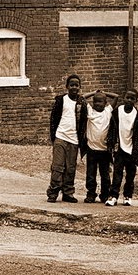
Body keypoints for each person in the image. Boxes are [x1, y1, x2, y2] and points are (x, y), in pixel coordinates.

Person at [46, 74, 82, 202]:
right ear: (67, 86)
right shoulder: (61, 100)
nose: (74, 87)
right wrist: (54, 137)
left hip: (74, 139)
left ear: (79, 87)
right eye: (71, 85)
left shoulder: (81, 103)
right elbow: (53, 119)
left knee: (70, 168)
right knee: (57, 166)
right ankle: (53, 192)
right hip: (61, 136)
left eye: (76, 85)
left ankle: (68, 193)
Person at [109, 89, 138, 206]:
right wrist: (112, 144)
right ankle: (113, 196)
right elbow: (112, 130)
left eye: (132, 98)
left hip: (131, 150)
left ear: (136, 100)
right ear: (124, 98)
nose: (129, 100)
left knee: (130, 176)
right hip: (119, 149)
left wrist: (136, 152)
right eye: (127, 97)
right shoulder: (117, 112)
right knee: (117, 173)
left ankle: (127, 196)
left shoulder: (137, 116)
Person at [79, 89, 114, 205]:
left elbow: (116, 97)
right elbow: (82, 98)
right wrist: (94, 92)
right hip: (92, 149)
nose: (98, 104)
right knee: (90, 174)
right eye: (95, 102)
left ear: (106, 103)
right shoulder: (90, 112)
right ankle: (91, 194)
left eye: (101, 102)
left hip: (104, 150)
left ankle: (105, 194)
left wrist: (105, 93)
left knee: (105, 175)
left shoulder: (108, 111)